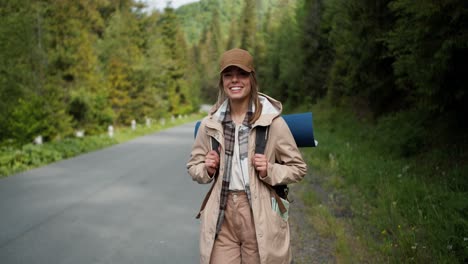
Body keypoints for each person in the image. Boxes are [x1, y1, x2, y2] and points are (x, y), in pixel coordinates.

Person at [187, 48, 307, 264]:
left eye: (241, 74)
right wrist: (206, 168)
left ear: (252, 78)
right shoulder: (210, 124)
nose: (235, 80)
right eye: (228, 75)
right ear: (222, 81)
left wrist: (269, 170)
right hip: (222, 216)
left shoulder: (273, 123)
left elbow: (298, 168)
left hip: (259, 214)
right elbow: (193, 166)